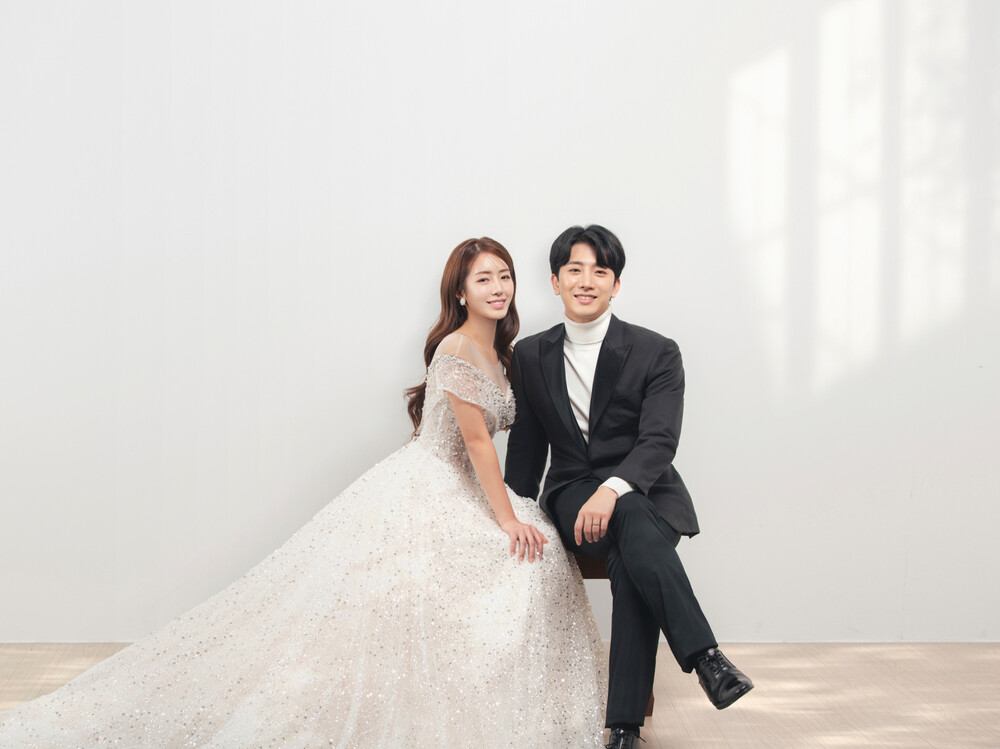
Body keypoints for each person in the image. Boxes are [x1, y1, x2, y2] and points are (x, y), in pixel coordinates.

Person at [0, 238, 607, 748]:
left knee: (534, 557)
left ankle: (488, 697)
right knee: (506, 553)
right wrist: (506, 519)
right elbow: (476, 444)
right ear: (460, 292)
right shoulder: (457, 349)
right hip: (430, 483)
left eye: (505, 277)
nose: (498, 288)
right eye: (483, 279)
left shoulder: (502, 353)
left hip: (465, 485)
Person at [504, 225, 753, 749]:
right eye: (574, 269)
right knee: (631, 519)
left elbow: (660, 440)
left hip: (650, 493)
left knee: (630, 541)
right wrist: (511, 516)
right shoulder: (529, 355)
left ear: (616, 284)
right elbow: (525, 451)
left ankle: (623, 730)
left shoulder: (656, 351)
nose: (586, 281)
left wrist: (615, 488)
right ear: (555, 281)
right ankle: (707, 660)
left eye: (600, 271)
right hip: (573, 494)